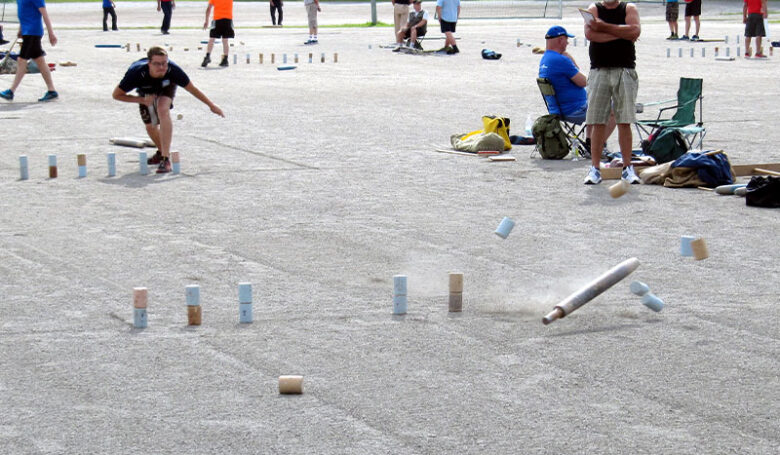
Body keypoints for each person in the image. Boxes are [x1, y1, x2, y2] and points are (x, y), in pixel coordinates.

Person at [112, 46, 224, 173]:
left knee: (162, 109)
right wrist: (141, 100)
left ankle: (165, 159)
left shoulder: (173, 70)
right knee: (151, 127)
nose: (161, 67)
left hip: (166, 86)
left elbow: (192, 89)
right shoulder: (136, 73)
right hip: (146, 91)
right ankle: (161, 152)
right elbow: (116, 95)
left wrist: (211, 105)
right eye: (157, 64)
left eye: (164, 63)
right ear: (149, 64)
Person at [583, 0, 641, 185]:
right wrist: (621, 33)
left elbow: (635, 31)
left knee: (624, 120)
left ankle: (627, 168)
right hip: (599, 70)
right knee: (597, 121)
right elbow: (590, 34)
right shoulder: (594, 9)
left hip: (625, 70)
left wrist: (604, 27)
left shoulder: (629, 8)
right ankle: (595, 168)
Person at [539, 25, 615, 155]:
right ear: (560, 40)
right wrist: (569, 57)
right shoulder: (561, 60)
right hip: (573, 109)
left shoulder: (545, 59)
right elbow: (584, 81)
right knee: (614, 108)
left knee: (594, 98)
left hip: (559, 108)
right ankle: (598, 146)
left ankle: (590, 142)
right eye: (566, 40)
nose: (568, 43)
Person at [0, 0, 58, 102]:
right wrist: (21, 29)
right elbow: (23, 13)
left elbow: (44, 14)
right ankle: (51, 90)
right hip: (27, 31)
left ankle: (11, 91)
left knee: (21, 60)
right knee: (39, 61)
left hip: (33, 32)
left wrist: (51, 33)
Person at [201, 0, 234, 68]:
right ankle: (225, 59)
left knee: (212, 39)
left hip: (217, 19)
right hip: (227, 19)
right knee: (225, 40)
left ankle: (208, 56)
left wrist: (206, 21)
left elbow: (209, 8)